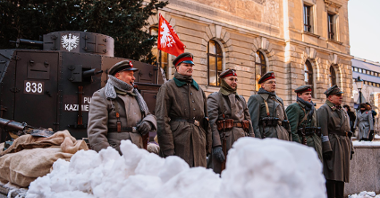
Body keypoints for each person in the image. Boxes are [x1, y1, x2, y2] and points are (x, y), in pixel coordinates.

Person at [155, 52, 212, 167]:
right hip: (179, 140)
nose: (190, 68)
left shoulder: (199, 90)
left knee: (199, 177)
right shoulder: (168, 87)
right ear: (177, 67)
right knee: (180, 177)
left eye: (191, 65)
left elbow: (206, 120)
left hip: (199, 141)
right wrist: (168, 148)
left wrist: (208, 144)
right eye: (186, 65)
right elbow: (162, 119)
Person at [87, 60, 157, 154]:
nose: (133, 78)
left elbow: (149, 114)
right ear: (117, 76)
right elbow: (96, 132)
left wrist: (148, 122)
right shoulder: (102, 96)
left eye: (133, 74)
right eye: (130, 74)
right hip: (117, 152)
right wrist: (109, 156)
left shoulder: (135, 95)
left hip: (138, 150)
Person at [207, 69, 254, 174]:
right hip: (225, 141)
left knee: (241, 172)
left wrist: (252, 141)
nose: (234, 82)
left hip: (242, 140)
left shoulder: (241, 99)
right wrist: (216, 145)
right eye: (231, 79)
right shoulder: (214, 98)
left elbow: (248, 121)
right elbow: (212, 124)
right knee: (223, 172)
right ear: (223, 81)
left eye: (236, 79)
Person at [317, 85, 354, 198]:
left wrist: (351, 147)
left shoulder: (342, 110)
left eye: (341, 95)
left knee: (341, 175)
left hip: (343, 145)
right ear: (330, 97)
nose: (340, 97)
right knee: (332, 175)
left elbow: (348, 131)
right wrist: (327, 148)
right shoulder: (324, 109)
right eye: (338, 95)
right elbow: (323, 131)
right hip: (333, 144)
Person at [247, 71, 291, 140]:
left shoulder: (279, 100)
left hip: (282, 136)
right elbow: (253, 124)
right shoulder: (256, 99)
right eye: (270, 82)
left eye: (274, 82)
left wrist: (288, 137)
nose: (273, 84)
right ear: (262, 85)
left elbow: (286, 123)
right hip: (267, 137)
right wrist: (258, 142)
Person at [285, 85, 322, 161]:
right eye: (307, 94)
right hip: (303, 143)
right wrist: (299, 148)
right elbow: (292, 131)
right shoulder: (294, 107)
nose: (310, 96)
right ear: (299, 95)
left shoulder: (312, 108)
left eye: (310, 94)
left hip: (315, 143)